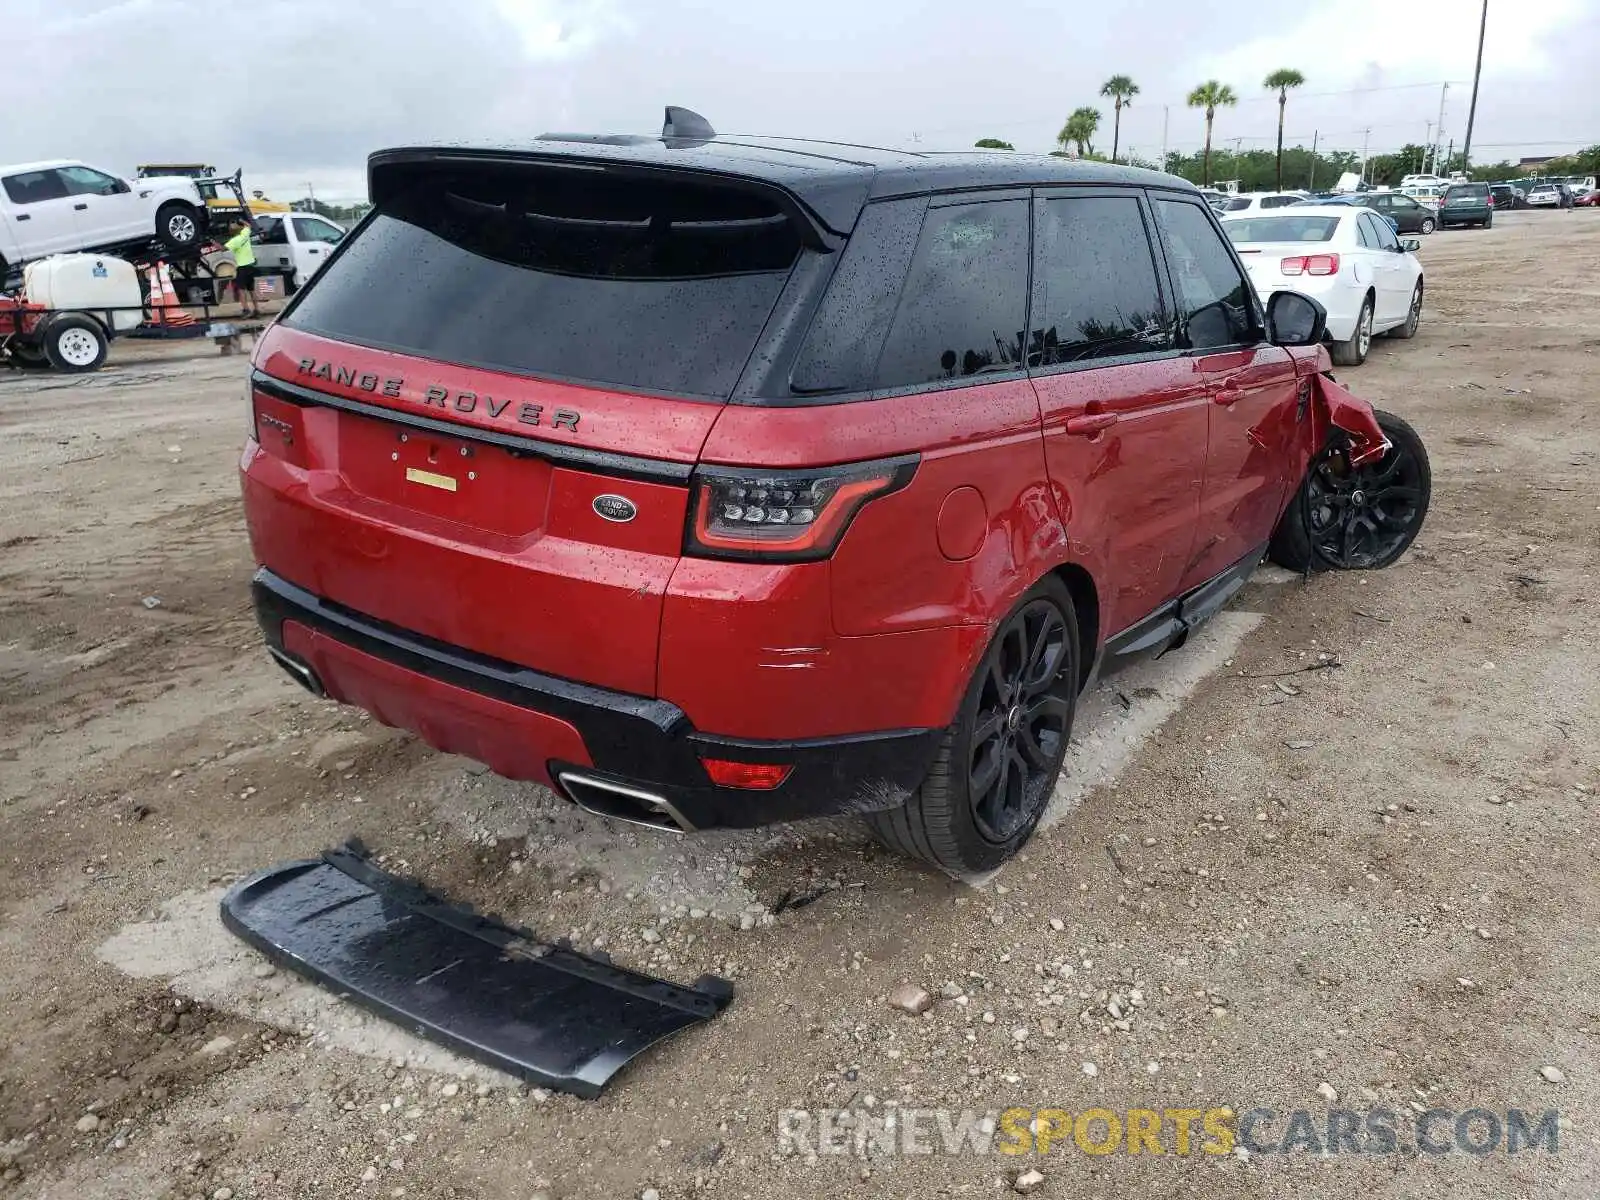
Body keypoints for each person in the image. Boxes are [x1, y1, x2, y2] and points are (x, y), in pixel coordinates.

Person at [224, 219, 260, 317]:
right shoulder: (245, 234)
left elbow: (222, 249)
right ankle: (257, 310)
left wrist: (212, 242)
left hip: (242, 268)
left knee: (241, 290)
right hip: (251, 266)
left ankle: (246, 310)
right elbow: (248, 225)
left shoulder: (234, 241)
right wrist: (241, 220)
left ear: (232, 232)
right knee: (251, 290)